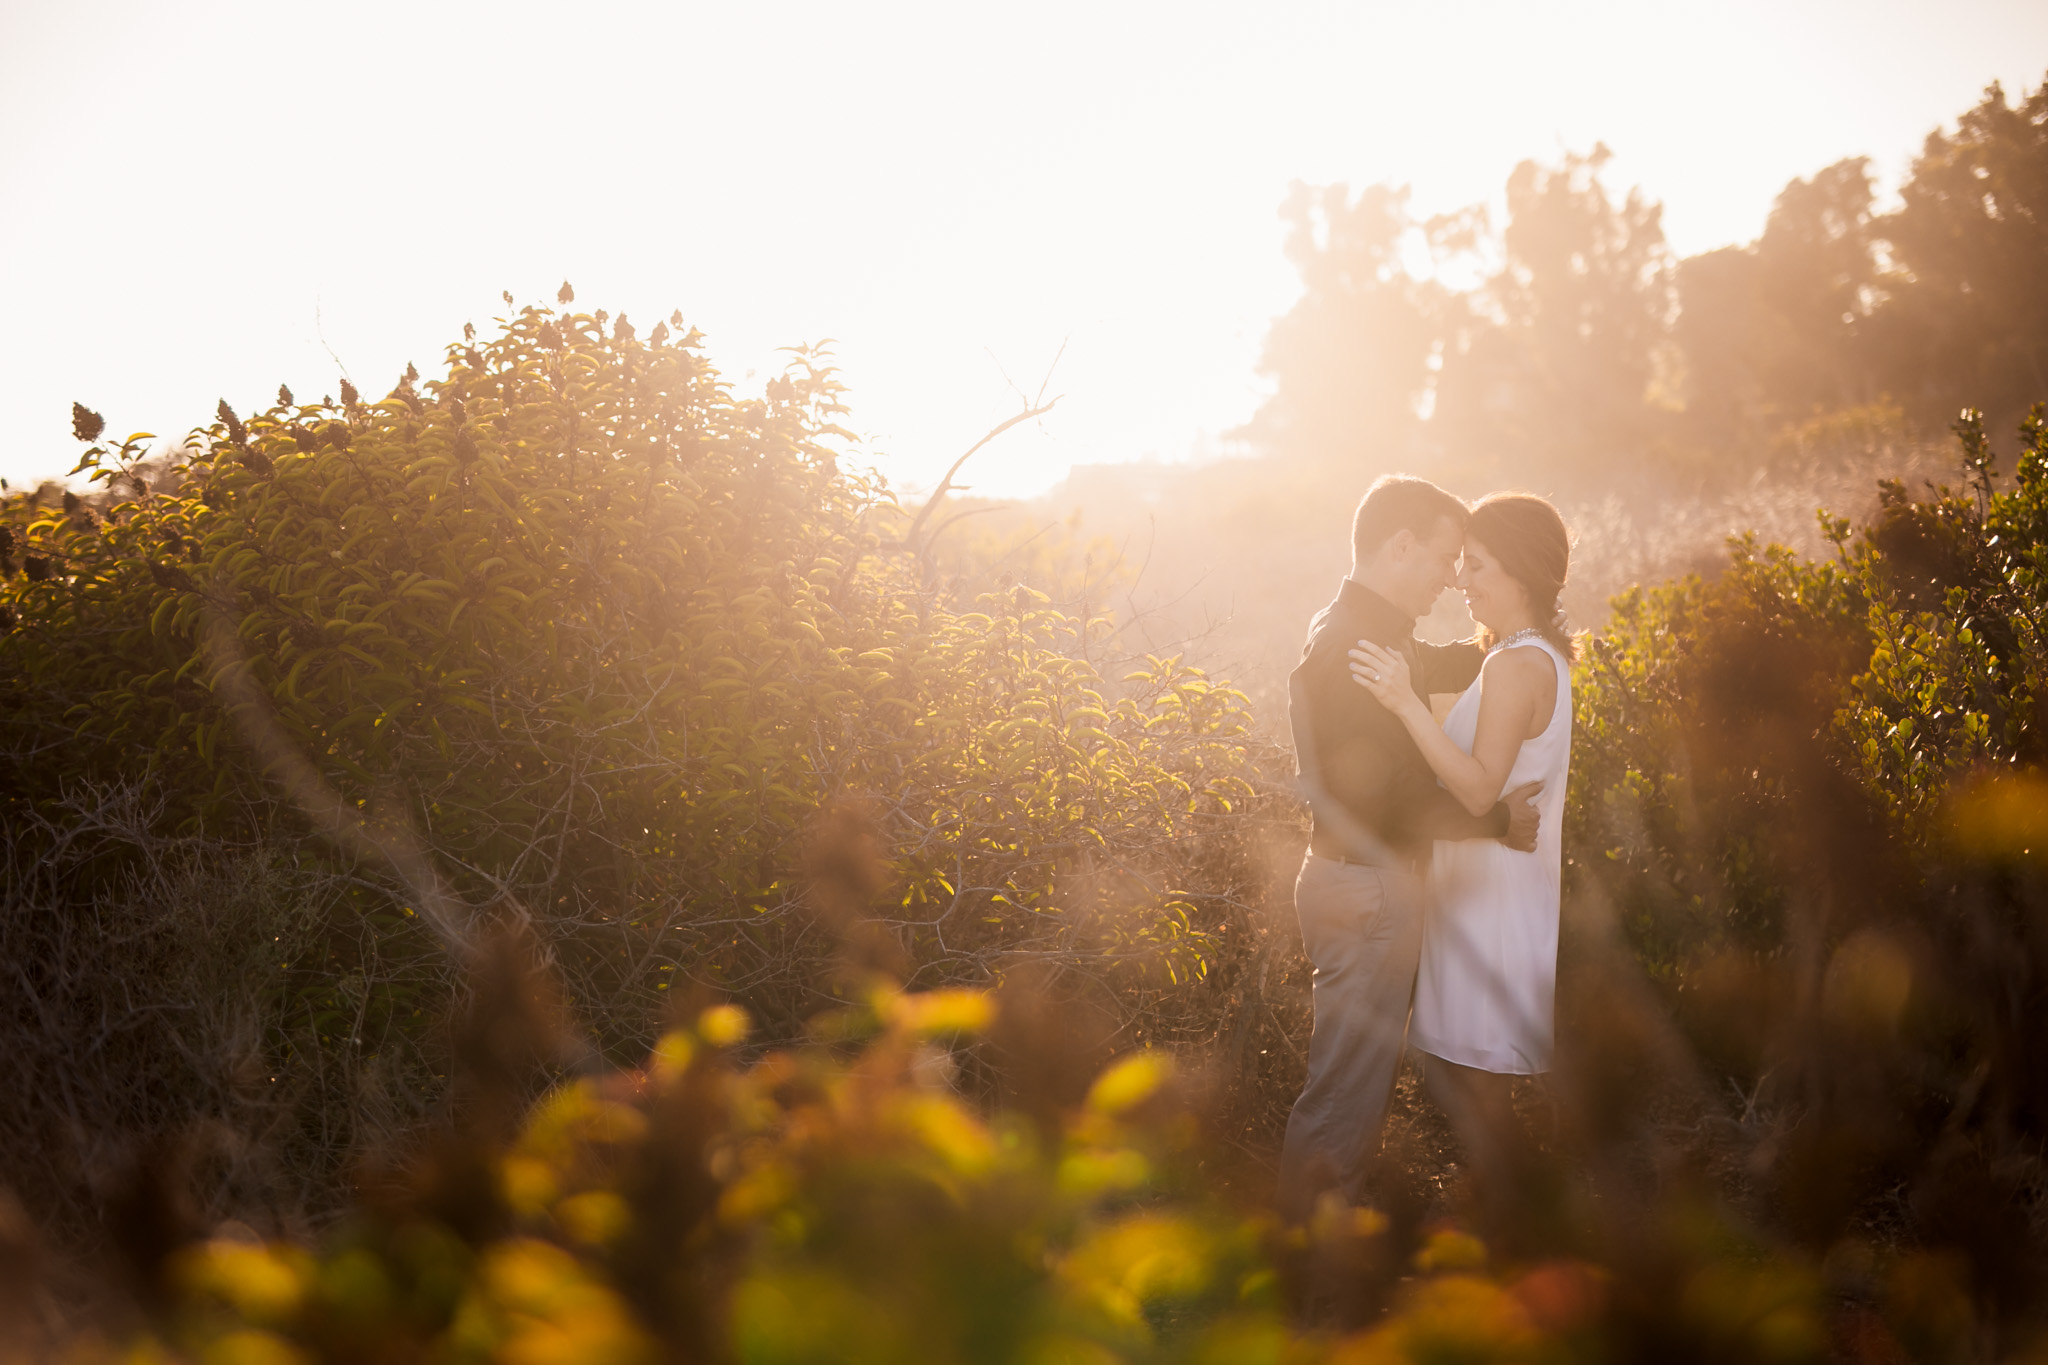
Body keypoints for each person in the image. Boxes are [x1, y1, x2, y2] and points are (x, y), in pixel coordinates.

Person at [1276, 475, 1542, 1223]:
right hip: (1367, 891)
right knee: (1344, 1097)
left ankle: (1318, 1268)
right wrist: (1495, 821)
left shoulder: (1365, 627)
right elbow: (1382, 800)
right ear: (1399, 546)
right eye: (1443, 558)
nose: (1452, 577)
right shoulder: (1352, 646)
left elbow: (1429, 664)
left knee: (1348, 1087)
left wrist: (1518, 635)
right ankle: (1311, 1290)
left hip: (1355, 886)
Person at [1348, 491, 1576, 1208]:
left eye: (1477, 565)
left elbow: (1479, 792)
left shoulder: (1518, 666)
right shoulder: (1513, 655)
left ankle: (1509, 1255)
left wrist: (1403, 701)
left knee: (1482, 1100)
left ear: (1522, 573)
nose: (1462, 580)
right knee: (1474, 1101)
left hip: (1493, 908)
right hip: (1482, 894)